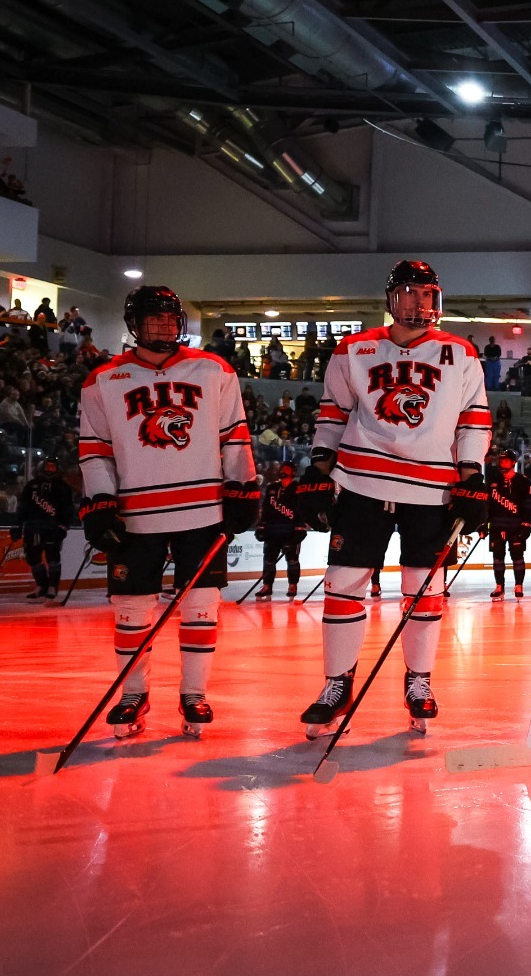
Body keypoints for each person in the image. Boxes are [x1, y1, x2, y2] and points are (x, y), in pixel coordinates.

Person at [298, 260, 491, 737]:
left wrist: (472, 477)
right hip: (361, 483)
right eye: (408, 292)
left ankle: (419, 680)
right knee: (343, 581)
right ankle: (336, 682)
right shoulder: (354, 348)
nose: (418, 302)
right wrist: (318, 470)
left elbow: (473, 419)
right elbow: (332, 414)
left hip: (432, 490)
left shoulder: (459, 351)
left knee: (424, 588)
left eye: (426, 294)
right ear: (390, 299)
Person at [77, 286, 259, 737]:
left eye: (168, 318)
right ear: (133, 324)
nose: (162, 325)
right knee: (131, 607)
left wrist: (243, 486)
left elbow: (235, 434)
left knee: (201, 604)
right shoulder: (103, 379)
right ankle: (133, 695)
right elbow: (95, 449)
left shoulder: (214, 369)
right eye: (151, 318)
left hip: (202, 509)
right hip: (136, 514)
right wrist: (99, 501)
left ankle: (193, 693)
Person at [19, 458, 76, 602]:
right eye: (47, 466)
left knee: (52, 556)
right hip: (32, 526)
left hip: (53, 526)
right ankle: (41, 585)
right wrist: (17, 525)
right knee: (32, 557)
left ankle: (52, 586)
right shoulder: (31, 485)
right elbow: (22, 507)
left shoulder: (63, 487)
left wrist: (64, 526)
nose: (50, 469)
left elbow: (68, 509)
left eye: (53, 467)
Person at [484, 451, 531, 598]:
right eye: (501, 461)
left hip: (516, 526)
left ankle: (518, 586)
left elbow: (527, 505)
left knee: (517, 556)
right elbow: (488, 505)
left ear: (513, 462)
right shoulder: (493, 481)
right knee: (497, 557)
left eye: (506, 461)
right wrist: (484, 523)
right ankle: (499, 586)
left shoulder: (523, 482)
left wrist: (526, 524)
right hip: (496, 526)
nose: (503, 464)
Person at [256, 464, 307, 599]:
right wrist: (261, 526)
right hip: (272, 531)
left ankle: (292, 585)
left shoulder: (298, 489)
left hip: (290, 531)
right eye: (282, 469)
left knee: (292, 560)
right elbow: (266, 509)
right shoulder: (271, 488)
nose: (283, 471)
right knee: (268, 560)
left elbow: (301, 511)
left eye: (287, 469)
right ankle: (267, 586)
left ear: (293, 472)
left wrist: (299, 531)